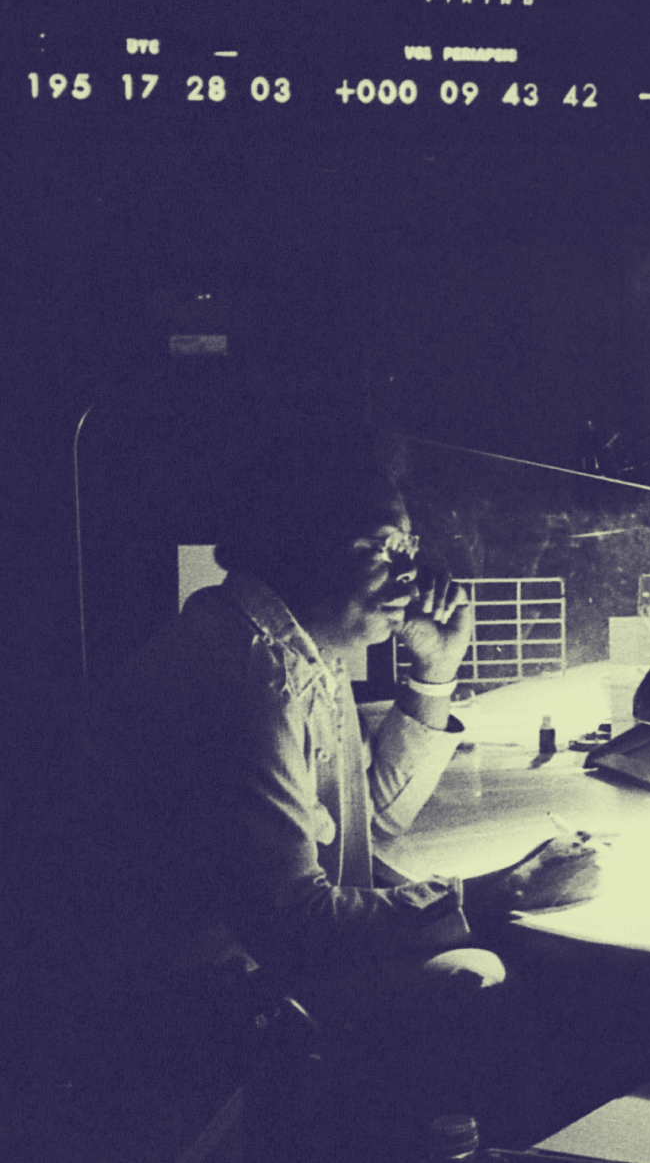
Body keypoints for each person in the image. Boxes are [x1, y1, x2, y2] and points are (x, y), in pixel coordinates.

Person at [96, 427, 601, 1151]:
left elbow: (365, 826)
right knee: (481, 979)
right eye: (381, 550)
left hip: (257, 977)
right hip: (202, 1016)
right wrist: (493, 894)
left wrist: (434, 674)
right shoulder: (250, 677)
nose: (410, 577)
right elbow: (296, 923)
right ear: (302, 544)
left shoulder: (295, 645)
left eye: (410, 549)